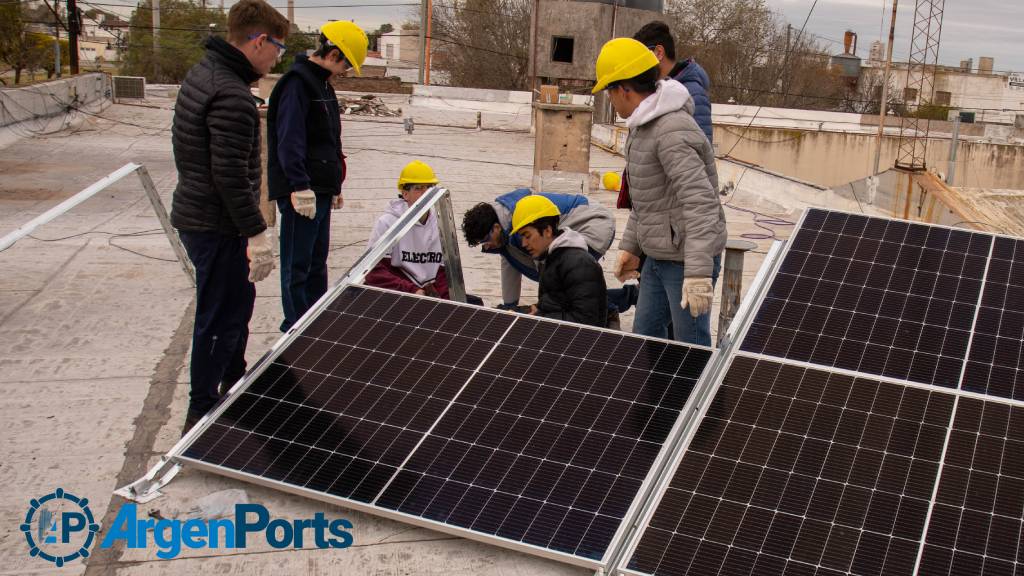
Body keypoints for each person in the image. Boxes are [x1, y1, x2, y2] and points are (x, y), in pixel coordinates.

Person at [170, 0, 290, 432]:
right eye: (276, 48)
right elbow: (230, 176)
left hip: (197, 214)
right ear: (259, 41)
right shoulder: (233, 97)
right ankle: (200, 413)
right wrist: (255, 233)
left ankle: (233, 384)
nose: (276, 57)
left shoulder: (204, 74)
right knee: (220, 317)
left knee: (235, 307)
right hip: (217, 224)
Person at [593, 37, 726, 345]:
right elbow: (649, 199)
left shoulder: (671, 131)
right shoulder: (643, 125)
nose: (610, 101)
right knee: (646, 340)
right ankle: (655, 395)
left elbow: (701, 203)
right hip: (657, 256)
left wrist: (698, 273)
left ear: (624, 89)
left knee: (689, 348)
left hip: (686, 260)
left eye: (610, 92)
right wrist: (631, 246)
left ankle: (693, 395)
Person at [267, 21, 368, 332]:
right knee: (297, 265)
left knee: (315, 263)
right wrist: (299, 186)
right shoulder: (297, 84)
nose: (347, 70)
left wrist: (334, 185)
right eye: (346, 63)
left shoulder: (323, 85)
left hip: (321, 190)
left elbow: (330, 140)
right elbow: (290, 140)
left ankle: (314, 322)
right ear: (333, 52)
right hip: (303, 192)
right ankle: (294, 330)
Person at [461, 189, 614, 309]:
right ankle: (615, 303)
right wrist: (509, 306)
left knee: (569, 289)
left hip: (593, 223)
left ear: (495, 227)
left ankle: (616, 305)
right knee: (567, 292)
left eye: (485, 240)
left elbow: (545, 270)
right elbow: (509, 263)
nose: (486, 246)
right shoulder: (504, 229)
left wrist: (544, 308)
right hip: (576, 227)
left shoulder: (518, 224)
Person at [510, 196, 607, 328]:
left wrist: (538, 318)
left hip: (579, 343)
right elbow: (554, 304)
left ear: (548, 231)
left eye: (527, 236)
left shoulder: (579, 263)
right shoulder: (551, 258)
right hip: (559, 336)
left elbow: (586, 321)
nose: (523, 244)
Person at [364, 161, 451, 298]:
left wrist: (446, 303)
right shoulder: (388, 222)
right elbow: (373, 272)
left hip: (427, 295)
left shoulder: (441, 223)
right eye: (419, 188)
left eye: (429, 188)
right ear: (405, 194)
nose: (425, 193)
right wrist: (412, 291)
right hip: (397, 295)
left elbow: (445, 275)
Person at [634, 21, 713, 144]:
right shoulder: (657, 89)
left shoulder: (692, 93)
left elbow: (700, 151)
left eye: (641, 57)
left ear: (658, 52)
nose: (638, 65)